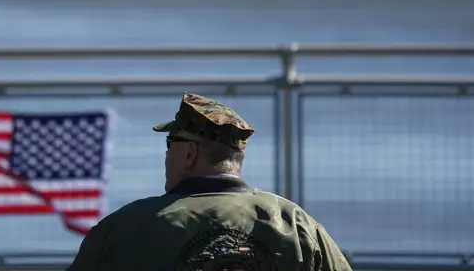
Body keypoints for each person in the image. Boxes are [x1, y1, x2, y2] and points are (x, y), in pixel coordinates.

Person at [67, 92, 352, 271]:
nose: (167, 154)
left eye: (170, 142)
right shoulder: (296, 224)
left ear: (189, 153)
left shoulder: (124, 229)